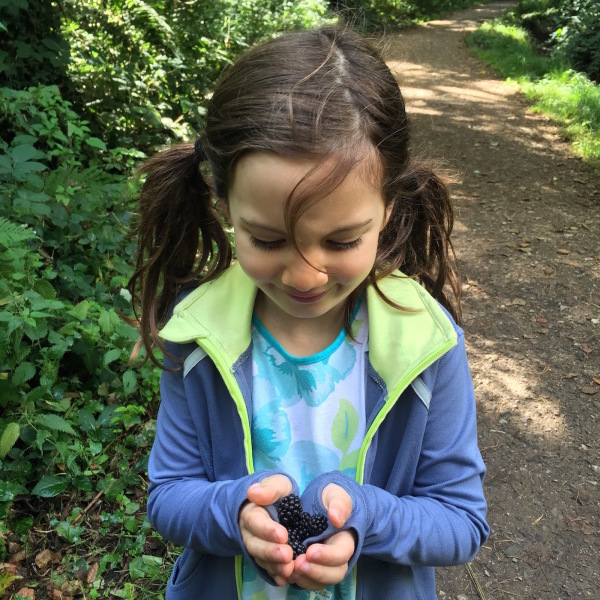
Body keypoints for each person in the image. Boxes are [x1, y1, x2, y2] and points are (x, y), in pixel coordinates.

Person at [127, 24, 489, 600]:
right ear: (225, 207)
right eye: (268, 241)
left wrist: (365, 515)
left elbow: (461, 521)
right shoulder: (197, 335)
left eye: (342, 241)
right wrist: (234, 514)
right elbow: (170, 495)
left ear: (388, 210)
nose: (304, 275)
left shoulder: (427, 344)